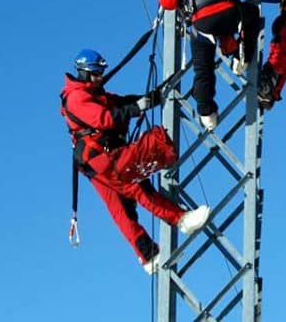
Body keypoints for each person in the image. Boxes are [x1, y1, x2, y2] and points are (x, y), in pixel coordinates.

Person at [60, 49, 210, 274]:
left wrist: (146, 100)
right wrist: (136, 107)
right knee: (137, 186)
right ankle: (181, 219)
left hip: (96, 162)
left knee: (122, 208)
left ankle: (148, 255)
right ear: (83, 73)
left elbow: (118, 102)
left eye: (101, 72)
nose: (100, 77)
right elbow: (105, 118)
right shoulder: (77, 98)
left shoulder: (91, 93)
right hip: (101, 160)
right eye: (95, 73)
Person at [159, 0, 261, 130]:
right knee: (251, 13)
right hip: (229, 15)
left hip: (203, 23)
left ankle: (207, 113)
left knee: (203, 69)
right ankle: (242, 55)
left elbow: (167, 2)